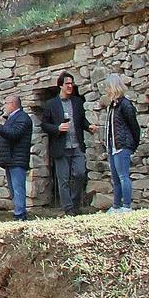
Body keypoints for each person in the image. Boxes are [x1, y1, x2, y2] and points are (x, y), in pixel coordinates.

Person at [40, 74, 92, 215]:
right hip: (60, 147)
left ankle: (75, 204)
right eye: (67, 83)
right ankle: (68, 209)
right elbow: (44, 125)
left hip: (76, 146)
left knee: (80, 174)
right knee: (63, 180)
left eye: (72, 83)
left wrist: (89, 127)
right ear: (60, 85)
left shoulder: (77, 102)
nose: (70, 86)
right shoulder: (51, 104)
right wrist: (57, 128)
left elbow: (81, 121)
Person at [0, 95, 36, 221]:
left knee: (18, 187)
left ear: (12, 104)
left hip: (17, 158)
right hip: (10, 159)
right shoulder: (11, 119)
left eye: (6, 103)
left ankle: (20, 215)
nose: (4, 106)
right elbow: (2, 141)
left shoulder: (22, 118)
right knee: (13, 189)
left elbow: (14, 135)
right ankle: (18, 212)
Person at [103, 74, 140, 213]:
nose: (106, 90)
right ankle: (116, 206)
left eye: (107, 87)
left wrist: (132, 144)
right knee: (116, 178)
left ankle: (127, 206)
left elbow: (134, 126)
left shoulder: (125, 104)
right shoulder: (112, 105)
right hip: (113, 146)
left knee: (123, 176)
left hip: (122, 145)